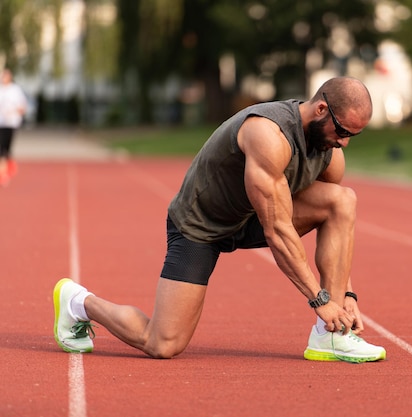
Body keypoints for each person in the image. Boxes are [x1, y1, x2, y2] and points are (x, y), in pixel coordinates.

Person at [53, 76, 386, 363]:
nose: (342, 142)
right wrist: (321, 301)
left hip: (249, 218)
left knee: (343, 201)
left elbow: (336, 229)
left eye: (352, 136)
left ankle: (329, 337)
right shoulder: (268, 134)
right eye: (341, 130)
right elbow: (278, 231)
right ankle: (79, 302)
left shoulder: (330, 154)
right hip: (202, 227)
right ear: (321, 110)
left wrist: (346, 298)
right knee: (163, 344)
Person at [0, 68, 28, 186]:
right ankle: (3, 174)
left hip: (11, 123)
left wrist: (15, 111)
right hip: (1, 123)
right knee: (1, 149)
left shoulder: (15, 90)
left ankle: (10, 164)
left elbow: (22, 107)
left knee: (7, 148)